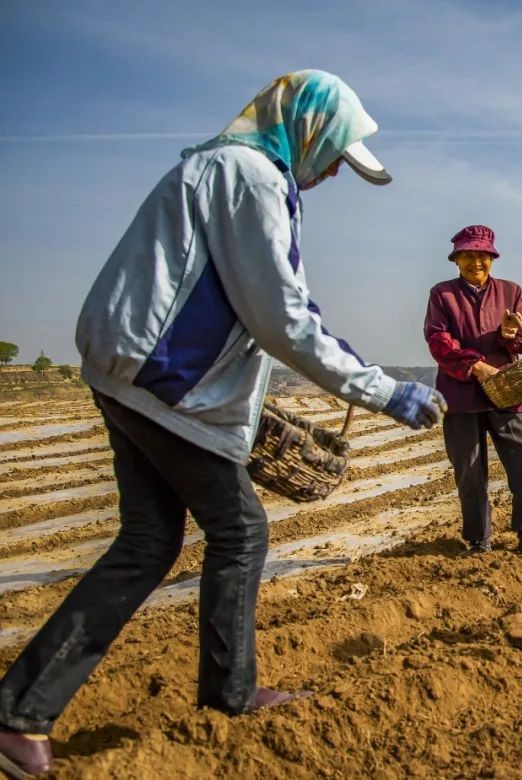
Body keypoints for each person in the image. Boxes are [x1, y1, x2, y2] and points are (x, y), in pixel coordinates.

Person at [0, 70, 445, 778]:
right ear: (308, 130)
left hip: (128, 370)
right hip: (162, 377)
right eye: (334, 155)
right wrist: (383, 391)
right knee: (240, 530)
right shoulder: (251, 177)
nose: (332, 171)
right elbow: (282, 317)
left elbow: (245, 303)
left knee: (150, 540)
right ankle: (227, 699)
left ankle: (22, 711)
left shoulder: (224, 168)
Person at [424, 225, 522, 555]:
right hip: (461, 393)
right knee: (468, 467)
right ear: (457, 260)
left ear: (492, 258)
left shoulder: (511, 291)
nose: (476, 262)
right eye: (468, 255)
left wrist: (510, 334)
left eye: (482, 256)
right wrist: (475, 365)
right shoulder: (442, 294)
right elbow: (438, 339)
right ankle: (479, 539)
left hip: (507, 390)